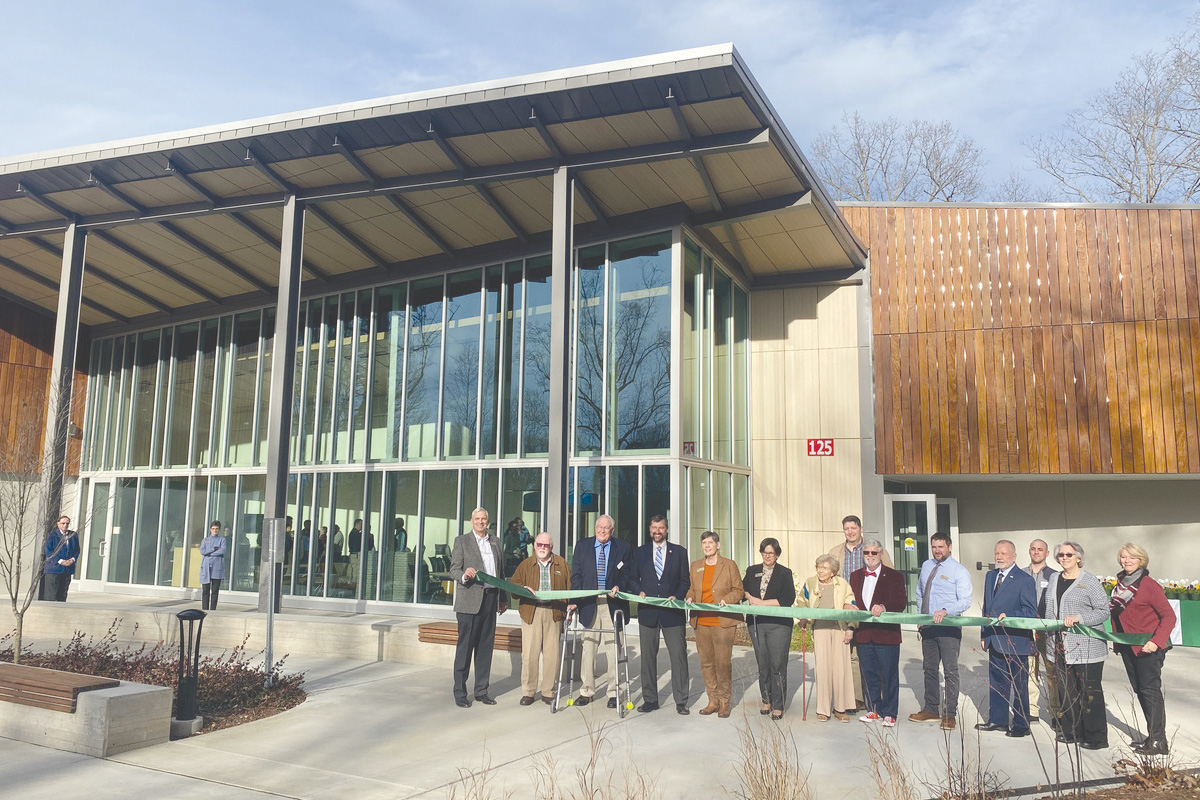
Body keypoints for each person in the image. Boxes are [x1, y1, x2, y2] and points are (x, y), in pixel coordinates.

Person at [1110, 542, 1176, 755]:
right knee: (1141, 691)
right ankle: (1152, 736)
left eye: (1131, 557)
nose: (1126, 561)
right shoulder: (1121, 583)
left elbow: (1169, 615)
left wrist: (1156, 641)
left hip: (1149, 646)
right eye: (1123, 557)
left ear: (1141, 561)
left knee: (1150, 692)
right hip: (1129, 646)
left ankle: (1159, 741)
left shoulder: (1148, 585)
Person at [1044, 540, 1110, 750]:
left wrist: (1080, 617)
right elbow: (1049, 610)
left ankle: (1095, 737)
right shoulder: (1054, 578)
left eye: (1069, 555)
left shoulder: (1089, 581)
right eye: (1061, 555)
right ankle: (1071, 731)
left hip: (1087, 647)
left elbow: (1103, 611)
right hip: (1060, 646)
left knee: (1089, 692)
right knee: (1066, 691)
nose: (1064, 558)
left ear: (1078, 558)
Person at [909, 532, 972, 730]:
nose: (937, 551)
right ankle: (931, 709)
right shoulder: (927, 566)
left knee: (950, 671)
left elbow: (965, 601)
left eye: (941, 547)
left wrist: (946, 611)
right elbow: (920, 592)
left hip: (949, 628)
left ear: (949, 547)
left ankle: (950, 714)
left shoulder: (958, 571)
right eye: (934, 547)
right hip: (928, 626)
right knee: (929, 669)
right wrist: (921, 616)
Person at [568, 514, 632, 708]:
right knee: (589, 649)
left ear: (612, 531)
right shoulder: (583, 546)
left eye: (606, 528)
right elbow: (576, 576)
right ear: (595, 529)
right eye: (599, 528)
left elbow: (627, 574)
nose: (602, 531)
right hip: (589, 604)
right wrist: (574, 601)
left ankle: (614, 692)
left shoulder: (623, 547)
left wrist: (619, 587)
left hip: (613, 604)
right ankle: (587, 691)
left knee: (614, 650)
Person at [630, 514, 691, 715]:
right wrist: (638, 591)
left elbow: (685, 581)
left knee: (679, 657)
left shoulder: (680, 552)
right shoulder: (640, 552)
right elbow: (632, 578)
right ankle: (650, 700)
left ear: (667, 529)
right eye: (654, 527)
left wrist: (678, 595)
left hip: (672, 614)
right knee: (647, 658)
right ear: (650, 529)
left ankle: (681, 700)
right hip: (648, 612)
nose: (658, 531)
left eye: (661, 528)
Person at [830, 515, 892, 709]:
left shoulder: (874, 549)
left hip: (868, 611)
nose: (850, 532)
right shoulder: (835, 552)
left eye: (853, 528)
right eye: (846, 529)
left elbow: (889, 576)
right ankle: (850, 698)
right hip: (845, 609)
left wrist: (882, 605)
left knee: (867, 656)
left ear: (860, 528)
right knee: (846, 655)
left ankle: (869, 698)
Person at [977, 540, 1038, 738]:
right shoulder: (990, 576)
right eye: (997, 553)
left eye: (1004, 553)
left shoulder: (1024, 579)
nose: (999, 557)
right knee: (997, 682)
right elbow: (987, 608)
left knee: (1019, 685)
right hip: (994, 639)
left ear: (1014, 556)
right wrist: (984, 633)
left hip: (1016, 641)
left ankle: (1022, 723)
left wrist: (1009, 615)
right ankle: (998, 720)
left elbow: (1030, 611)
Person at [449, 507, 508, 708]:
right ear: (471, 521)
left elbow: (501, 572)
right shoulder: (462, 541)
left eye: (483, 519)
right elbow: (453, 570)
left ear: (488, 521)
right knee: (465, 649)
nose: (480, 522)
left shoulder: (495, 541)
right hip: (469, 602)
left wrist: (503, 599)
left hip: (491, 599)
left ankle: (482, 691)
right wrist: (465, 575)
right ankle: (460, 692)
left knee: (485, 649)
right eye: (477, 519)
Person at [848, 539, 907, 727]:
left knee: (889, 674)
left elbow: (901, 602)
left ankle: (890, 712)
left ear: (881, 554)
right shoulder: (855, 576)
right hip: (865, 634)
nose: (870, 556)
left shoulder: (895, 576)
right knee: (869, 673)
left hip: (887, 635)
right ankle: (874, 709)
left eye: (874, 553)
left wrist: (884, 606)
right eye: (867, 553)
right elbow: (853, 601)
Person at [685, 530, 743, 718]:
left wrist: (727, 599)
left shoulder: (729, 565)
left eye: (710, 543)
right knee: (707, 663)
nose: (707, 546)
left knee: (723, 663)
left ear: (718, 545)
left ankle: (725, 702)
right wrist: (689, 597)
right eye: (704, 543)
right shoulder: (695, 566)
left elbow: (738, 590)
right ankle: (712, 701)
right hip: (701, 621)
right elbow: (692, 588)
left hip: (722, 622)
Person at [511, 532, 570, 706]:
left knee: (552, 655)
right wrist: (522, 588)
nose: (542, 548)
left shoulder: (562, 564)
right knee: (530, 654)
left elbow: (570, 588)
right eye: (539, 545)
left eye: (546, 545)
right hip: (532, 612)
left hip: (554, 612)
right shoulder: (525, 564)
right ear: (534, 545)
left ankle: (548, 691)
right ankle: (528, 692)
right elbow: (513, 588)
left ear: (551, 547)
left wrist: (569, 609)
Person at [743, 537, 795, 720]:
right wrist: (749, 597)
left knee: (777, 664)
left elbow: (788, 599)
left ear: (777, 555)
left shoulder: (784, 573)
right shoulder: (752, 571)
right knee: (762, 663)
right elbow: (743, 589)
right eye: (764, 552)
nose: (767, 556)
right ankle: (766, 700)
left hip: (778, 625)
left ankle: (778, 705)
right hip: (757, 623)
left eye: (771, 553)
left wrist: (762, 603)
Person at [800, 554, 854, 722]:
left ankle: (840, 708)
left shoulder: (843, 584)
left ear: (833, 571)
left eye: (824, 568)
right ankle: (823, 709)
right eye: (818, 567)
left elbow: (852, 605)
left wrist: (851, 627)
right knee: (822, 669)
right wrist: (802, 616)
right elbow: (801, 600)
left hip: (839, 628)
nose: (820, 571)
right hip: (820, 628)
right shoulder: (810, 582)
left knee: (840, 669)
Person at [1024, 538, 1058, 724]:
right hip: (1027, 630)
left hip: (1047, 631)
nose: (1036, 552)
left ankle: (1055, 713)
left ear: (1046, 553)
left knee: (1052, 673)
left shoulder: (1055, 576)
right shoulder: (1020, 574)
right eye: (1033, 549)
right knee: (1030, 671)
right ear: (1029, 551)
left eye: (1040, 549)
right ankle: (1031, 711)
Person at [42, 515, 80, 602]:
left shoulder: (73, 535)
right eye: (63, 523)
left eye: (67, 523)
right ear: (58, 524)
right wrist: (61, 561)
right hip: (54, 569)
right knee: (50, 595)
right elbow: (48, 551)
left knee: (62, 595)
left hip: (67, 569)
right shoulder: (52, 535)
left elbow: (77, 550)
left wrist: (72, 560)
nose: (65, 525)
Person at [199, 520, 227, 610]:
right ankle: (205, 609)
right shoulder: (205, 540)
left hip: (217, 568)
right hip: (206, 569)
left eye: (217, 529)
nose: (215, 530)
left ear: (219, 530)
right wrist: (214, 549)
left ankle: (213, 609)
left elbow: (222, 550)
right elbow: (202, 551)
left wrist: (209, 553)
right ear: (210, 529)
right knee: (205, 591)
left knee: (215, 591)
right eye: (213, 529)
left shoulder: (222, 540)